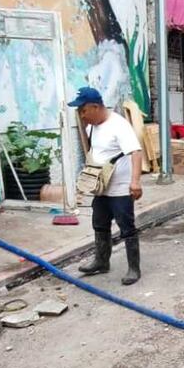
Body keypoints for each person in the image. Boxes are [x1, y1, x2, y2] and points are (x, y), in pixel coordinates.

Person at [71, 87, 144, 285]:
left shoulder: (119, 125)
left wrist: (135, 182)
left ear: (95, 107)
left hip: (120, 189)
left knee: (126, 227)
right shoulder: (91, 127)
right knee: (99, 224)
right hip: (101, 188)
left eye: (83, 110)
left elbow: (135, 152)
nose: (82, 115)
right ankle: (101, 261)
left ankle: (133, 268)